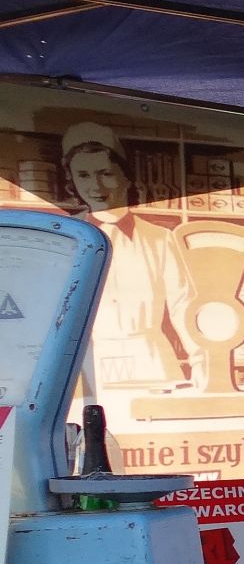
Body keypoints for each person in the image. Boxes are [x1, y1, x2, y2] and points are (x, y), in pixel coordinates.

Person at [61, 121, 194, 391]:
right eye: (83, 175)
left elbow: (183, 306)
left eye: (106, 173)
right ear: (72, 180)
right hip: (89, 364)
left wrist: (203, 364)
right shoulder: (67, 238)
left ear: (126, 176)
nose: (96, 185)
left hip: (153, 362)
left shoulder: (160, 238)